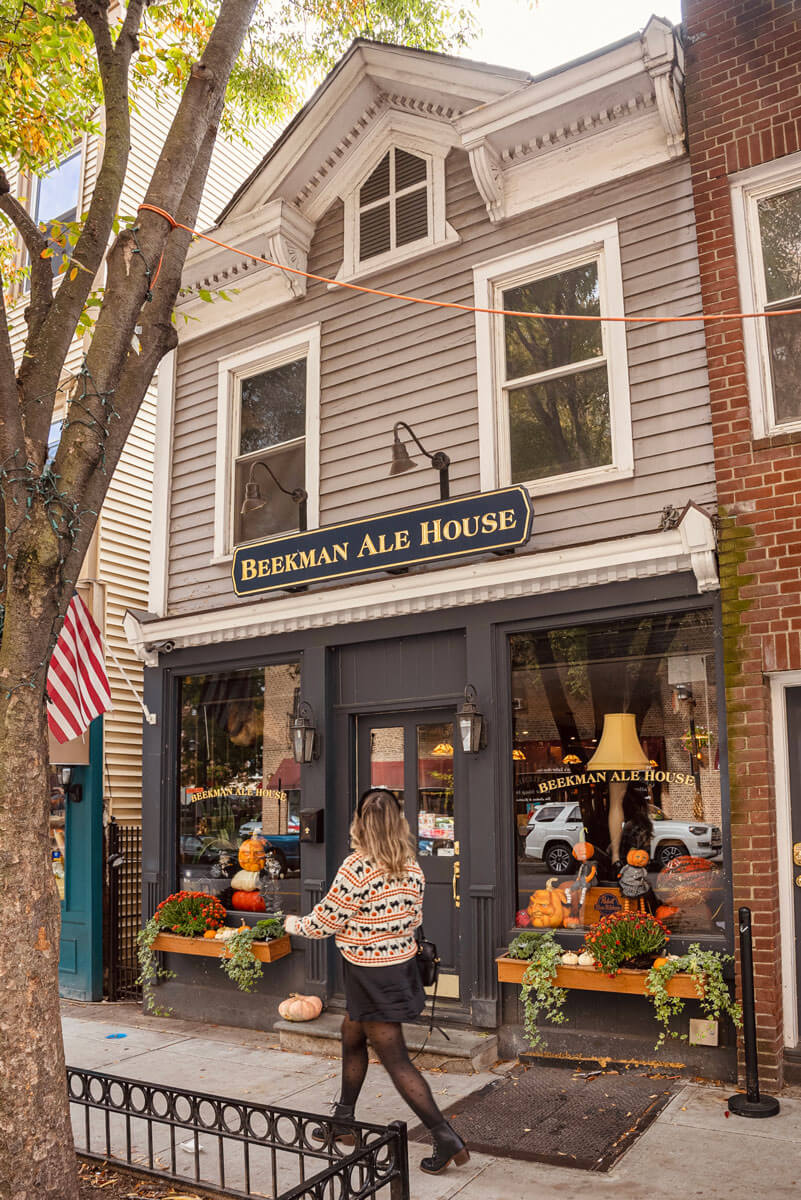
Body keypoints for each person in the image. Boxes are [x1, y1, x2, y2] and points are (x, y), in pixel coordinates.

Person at [284, 787, 469, 1174]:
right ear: (398, 824)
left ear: (361, 824)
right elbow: (414, 922)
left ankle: (446, 1136)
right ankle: (343, 1121)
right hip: (395, 969)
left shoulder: (356, 868)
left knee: (396, 1060)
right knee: (352, 1033)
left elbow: (323, 924)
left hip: (370, 973)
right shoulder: (412, 867)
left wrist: (290, 924)